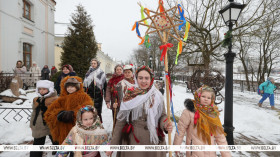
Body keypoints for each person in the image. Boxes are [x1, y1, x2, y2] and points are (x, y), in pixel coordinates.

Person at [106, 66, 173, 157]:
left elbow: (162, 115)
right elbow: (120, 122)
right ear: (136, 78)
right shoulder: (130, 94)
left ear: (151, 79)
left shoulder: (157, 95)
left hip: (153, 141)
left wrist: (165, 124)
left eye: (146, 78)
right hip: (134, 140)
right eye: (140, 78)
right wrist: (113, 146)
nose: (143, 81)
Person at [173, 85, 231, 157]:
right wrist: (176, 147)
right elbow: (180, 130)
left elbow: (220, 137)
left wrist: (226, 155)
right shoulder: (189, 112)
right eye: (203, 96)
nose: (206, 99)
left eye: (209, 98)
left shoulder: (213, 115)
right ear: (198, 96)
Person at [44, 76, 93, 145]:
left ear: (77, 87)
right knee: (66, 147)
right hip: (64, 130)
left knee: (76, 148)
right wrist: (59, 114)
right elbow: (49, 112)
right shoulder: (61, 99)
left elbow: (88, 109)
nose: (70, 88)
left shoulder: (84, 97)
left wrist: (74, 114)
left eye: (72, 87)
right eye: (68, 87)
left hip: (77, 129)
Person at [30, 80, 58, 157]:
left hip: (51, 125)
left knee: (56, 140)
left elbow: (57, 113)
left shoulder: (54, 99)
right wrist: (32, 124)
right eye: (40, 89)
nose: (41, 91)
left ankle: (57, 152)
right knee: (37, 143)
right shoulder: (37, 99)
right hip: (39, 125)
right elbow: (34, 113)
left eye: (44, 89)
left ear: (49, 89)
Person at [84, 58, 107, 123]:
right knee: (89, 111)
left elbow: (105, 85)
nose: (93, 65)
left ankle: (98, 125)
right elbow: (85, 84)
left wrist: (105, 96)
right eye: (92, 63)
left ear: (97, 64)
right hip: (89, 94)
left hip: (98, 95)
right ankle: (90, 125)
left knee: (98, 111)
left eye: (95, 63)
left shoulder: (101, 73)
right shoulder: (88, 72)